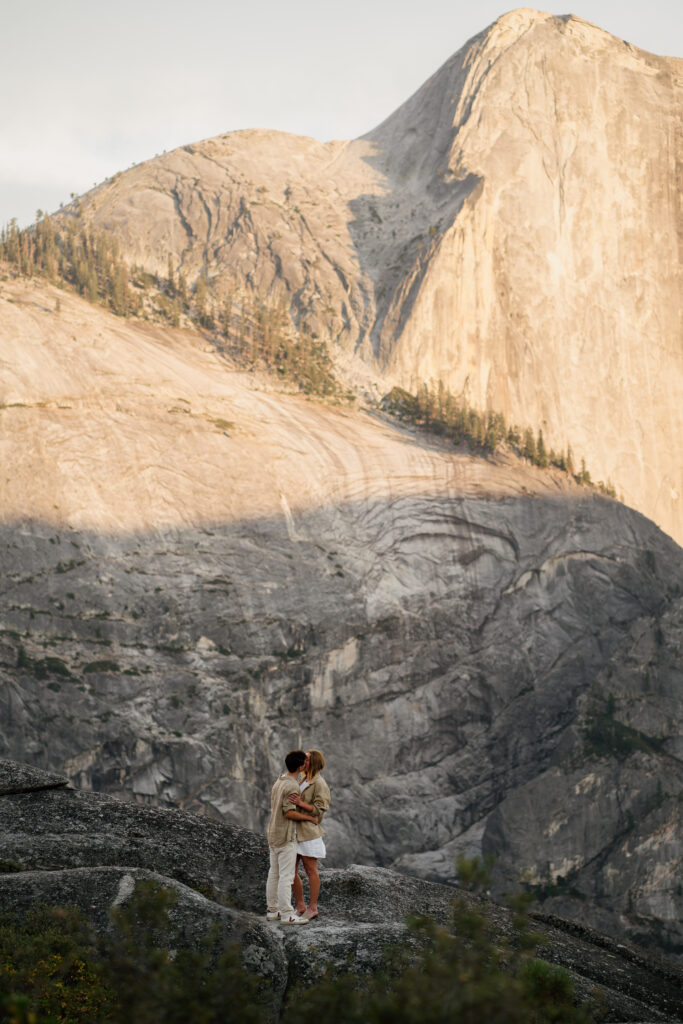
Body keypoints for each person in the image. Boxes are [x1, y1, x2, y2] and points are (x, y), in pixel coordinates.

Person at [266, 749, 319, 925]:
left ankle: (272, 910)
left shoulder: (279, 781)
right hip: (285, 836)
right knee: (286, 877)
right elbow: (289, 813)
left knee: (274, 874)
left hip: (272, 833)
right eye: (305, 762)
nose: (307, 764)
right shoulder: (292, 786)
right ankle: (287, 914)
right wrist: (310, 818)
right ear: (300, 765)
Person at [289, 749, 330, 921]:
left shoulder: (320, 783)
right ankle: (300, 905)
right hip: (296, 830)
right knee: (290, 870)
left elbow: (320, 810)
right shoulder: (304, 779)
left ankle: (313, 908)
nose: (302, 760)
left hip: (309, 832)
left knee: (311, 870)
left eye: (305, 759)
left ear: (311, 762)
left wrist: (299, 803)